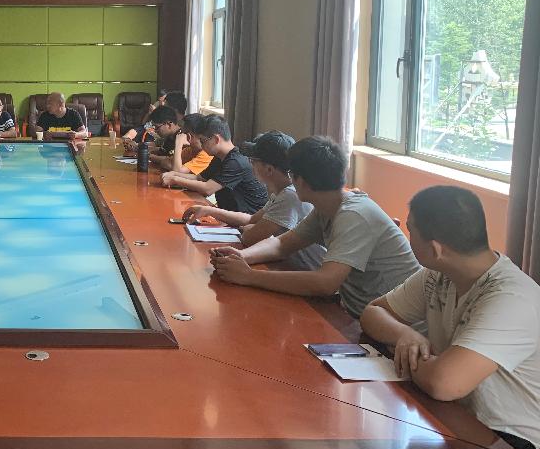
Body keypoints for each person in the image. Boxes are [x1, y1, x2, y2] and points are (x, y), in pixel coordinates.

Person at [360, 186, 540, 449]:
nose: (406, 235)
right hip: (457, 426)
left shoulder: (511, 297)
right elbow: (373, 313)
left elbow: (445, 383)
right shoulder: (438, 275)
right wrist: (404, 335)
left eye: (411, 230)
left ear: (435, 248)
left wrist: (414, 359)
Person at [209, 136, 421, 319]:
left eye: (291, 174)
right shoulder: (327, 206)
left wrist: (249, 276)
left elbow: (325, 283)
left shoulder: (353, 214)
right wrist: (240, 257)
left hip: (395, 325)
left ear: (300, 181)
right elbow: (281, 245)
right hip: (359, 313)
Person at [182, 131, 324, 266]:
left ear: (269, 169)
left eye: (253, 161)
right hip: (287, 264)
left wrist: (251, 229)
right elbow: (252, 219)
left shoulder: (290, 195)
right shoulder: (281, 191)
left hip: (303, 270)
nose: (251, 165)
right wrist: (209, 211)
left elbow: (249, 238)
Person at [164, 114, 267, 214]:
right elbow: (200, 178)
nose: (201, 145)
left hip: (246, 220)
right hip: (228, 215)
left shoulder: (236, 162)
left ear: (216, 139)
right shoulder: (219, 157)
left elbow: (207, 189)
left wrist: (175, 179)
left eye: (203, 141)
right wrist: (174, 174)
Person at [146, 105, 183, 172]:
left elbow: (171, 160)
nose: (155, 131)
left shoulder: (181, 138)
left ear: (168, 124)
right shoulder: (169, 136)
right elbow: (163, 151)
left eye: (157, 127)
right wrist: (141, 148)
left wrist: (148, 156)